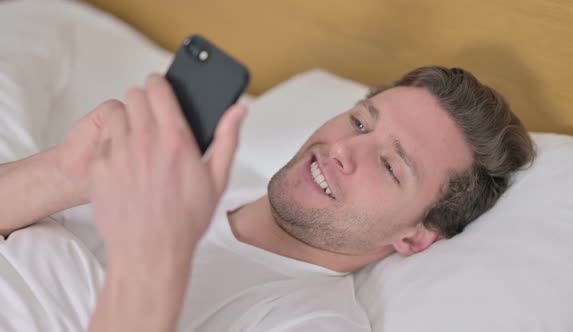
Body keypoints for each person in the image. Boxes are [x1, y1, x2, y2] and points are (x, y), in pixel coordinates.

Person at [0, 66, 535, 331]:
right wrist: (64, 173)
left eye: (391, 165)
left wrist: (153, 259)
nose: (344, 148)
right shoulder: (175, 176)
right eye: (358, 121)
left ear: (414, 237)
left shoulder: (309, 322)